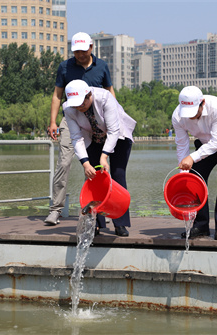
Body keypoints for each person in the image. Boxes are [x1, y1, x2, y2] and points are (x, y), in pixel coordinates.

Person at [45, 32, 115, 225]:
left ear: (91, 48)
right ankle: (56, 209)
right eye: (76, 52)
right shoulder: (65, 67)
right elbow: (57, 95)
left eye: (83, 51)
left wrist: (115, 118)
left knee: (99, 166)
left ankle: (100, 208)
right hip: (72, 119)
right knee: (64, 162)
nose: (80, 55)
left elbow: (109, 92)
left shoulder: (101, 66)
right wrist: (53, 122)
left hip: (97, 123)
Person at [171, 86, 217, 240]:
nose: (191, 117)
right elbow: (182, 144)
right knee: (195, 178)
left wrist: (192, 158)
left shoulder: (216, 106)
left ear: (202, 103)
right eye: (188, 113)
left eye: (194, 112)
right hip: (205, 145)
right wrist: (183, 173)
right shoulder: (177, 116)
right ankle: (201, 225)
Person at [63, 79, 136, 237]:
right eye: (76, 105)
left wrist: (104, 156)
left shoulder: (104, 97)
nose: (80, 108)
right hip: (93, 138)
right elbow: (76, 137)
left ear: (89, 94)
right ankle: (95, 224)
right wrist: (85, 163)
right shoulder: (68, 109)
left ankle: (120, 223)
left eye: (83, 103)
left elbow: (113, 130)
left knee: (117, 175)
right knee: (94, 179)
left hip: (118, 136)